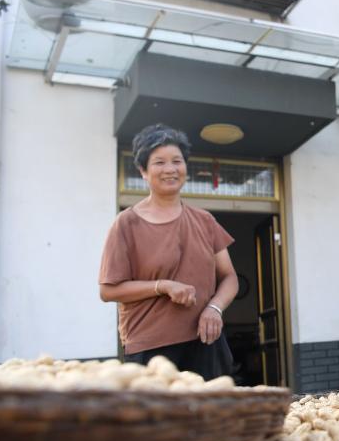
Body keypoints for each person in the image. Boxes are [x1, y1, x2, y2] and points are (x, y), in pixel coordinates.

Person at [99, 124, 239, 379]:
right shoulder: (126, 224)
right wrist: (162, 286)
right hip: (151, 349)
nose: (170, 169)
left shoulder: (205, 221)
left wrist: (215, 308)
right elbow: (109, 291)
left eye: (177, 161)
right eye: (159, 162)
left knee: (212, 406)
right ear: (143, 171)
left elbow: (229, 277)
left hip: (206, 341)